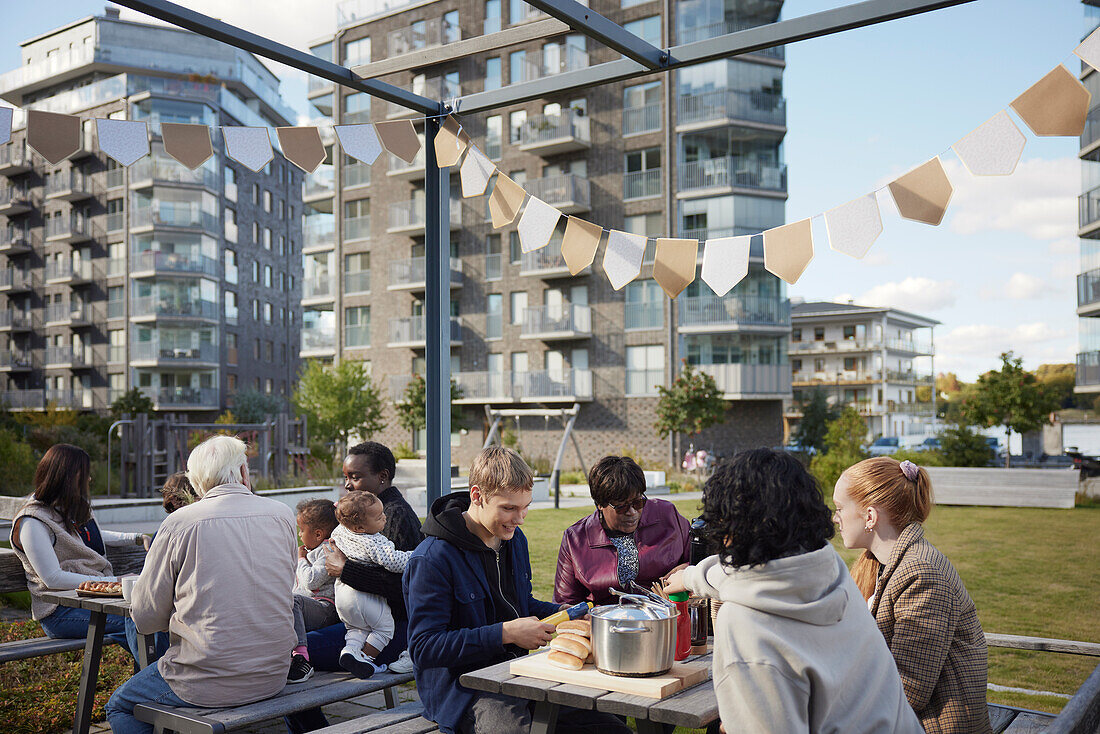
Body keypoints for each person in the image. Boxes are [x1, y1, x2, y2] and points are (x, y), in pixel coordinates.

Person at [663, 448, 923, 734]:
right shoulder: (829, 569)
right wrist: (690, 577)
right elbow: (748, 576)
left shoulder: (744, 624)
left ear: (731, 526)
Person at [404, 446, 633, 734]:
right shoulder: (432, 558)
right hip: (463, 691)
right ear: (477, 496)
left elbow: (521, 604)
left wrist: (563, 614)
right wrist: (506, 633)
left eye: (525, 507)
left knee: (610, 726)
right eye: (509, 508)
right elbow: (425, 648)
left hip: (521, 673)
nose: (520, 518)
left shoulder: (514, 539)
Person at [105, 435, 298, 734]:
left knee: (120, 706)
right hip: (273, 674)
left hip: (205, 681)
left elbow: (144, 619)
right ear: (244, 473)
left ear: (195, 483)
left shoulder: (180, 522)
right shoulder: (283, 515)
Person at [833, 457, 991, 734]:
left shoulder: (921, 573)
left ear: (869, 516)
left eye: (839, 509)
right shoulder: (885, 563)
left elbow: (909, 689)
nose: (835, 519)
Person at [8, 444, 160, 663]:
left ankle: (153, 683)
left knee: (148, 620)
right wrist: (112, 581)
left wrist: (135, 538)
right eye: (85, 474)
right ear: (67, 477)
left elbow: (85, 536)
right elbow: (52, 577)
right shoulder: (32, 522)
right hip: (59, 612)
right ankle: (155, 685)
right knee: (142, 623)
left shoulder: (63, 508)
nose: (89, 480)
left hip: (89, 601)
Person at [320, 441, 421, 673]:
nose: (347, 485)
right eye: (345, 477)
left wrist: (345, 571)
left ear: (382, 476)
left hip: (391, 627)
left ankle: (364, 659)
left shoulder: (394, 516)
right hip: (359, 616)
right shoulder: (357, 516)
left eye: (355, 477)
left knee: (293, 651)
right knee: (291, 642)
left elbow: (405, 586)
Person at [554, 455, 690, 607]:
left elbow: (706, 560)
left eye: (638, 502)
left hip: (667, 620)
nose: (632, 512)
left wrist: (689, 570)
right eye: (621, 506)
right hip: (606, 625)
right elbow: (565, 603)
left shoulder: (668, 516)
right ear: (599, 504)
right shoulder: (575, 539)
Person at [330, 491, 412, 678]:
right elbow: (394, 562)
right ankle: (365, 659)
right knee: (384, 629)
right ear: (359, 527)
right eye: (379, 517)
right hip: (364, 596)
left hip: (342, 594)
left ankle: (350, 652)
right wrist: (414, 555)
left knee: (356, 629)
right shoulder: (373, 541)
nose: (384, 517)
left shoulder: (340, 531)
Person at [288, 499, 342, 684]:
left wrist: (301, 560)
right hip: (309, 607)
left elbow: (311, 581)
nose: (300, 535)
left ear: (318, 534)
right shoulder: (314, 549)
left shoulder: (327, 549)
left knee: (292, 600)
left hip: (325, 608)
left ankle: (302, 658)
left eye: (302, 530)